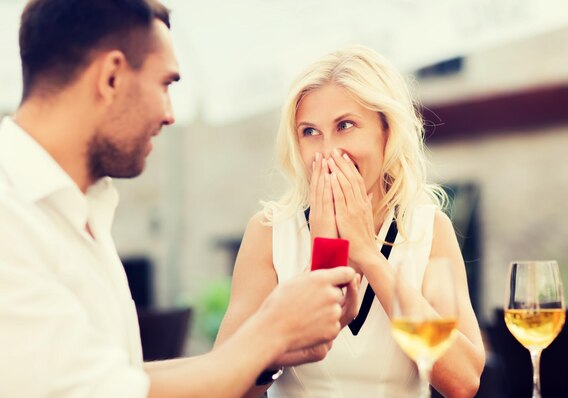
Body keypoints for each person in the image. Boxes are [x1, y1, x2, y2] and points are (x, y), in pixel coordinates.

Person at [0, 1, 359, 397]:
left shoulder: (78, 208)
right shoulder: (10, 218)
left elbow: (118, 380)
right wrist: (269, 332)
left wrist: (272, 345)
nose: (170, 114)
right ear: (112, 77)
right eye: (165, 84)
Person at [215, 45, 486, 397]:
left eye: (345, 126)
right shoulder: (268, 233)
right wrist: (324, 259)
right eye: (310, 132)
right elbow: (226, 386)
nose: (328, 151)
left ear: (386, 131)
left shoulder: (429, 230)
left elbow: (463, 381)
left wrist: (368, 256)